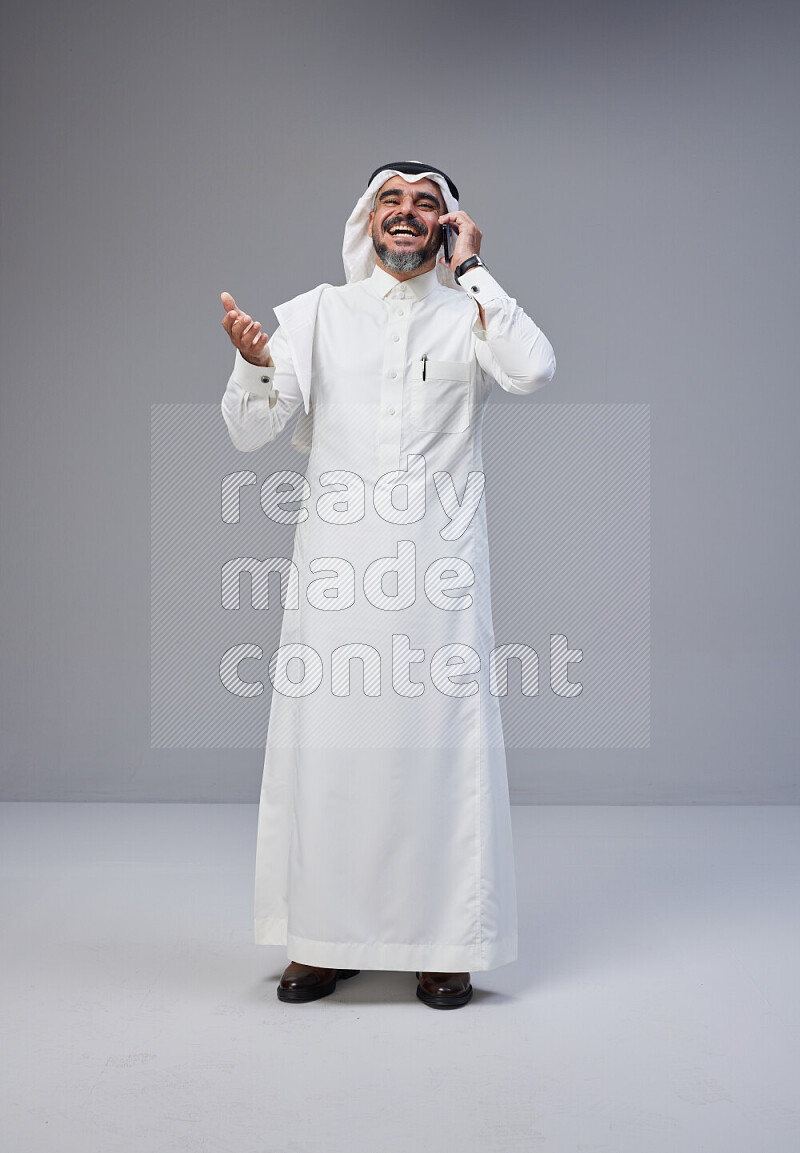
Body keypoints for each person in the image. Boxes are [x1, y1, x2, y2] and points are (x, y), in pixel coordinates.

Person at [220, 162, 556, 1009]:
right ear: (366, 221)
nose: (406, 214)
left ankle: (445, 945)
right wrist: (257, 364)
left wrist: (474, 270)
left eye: (426, 204)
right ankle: (321, 942)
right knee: (330, 754)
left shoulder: (470, 314)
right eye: (391, 201)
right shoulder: (318, 313)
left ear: (447, 225)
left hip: (439, 580)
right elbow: (251, 429)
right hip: (336, 574)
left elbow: (534, 369)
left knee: (440, 754)